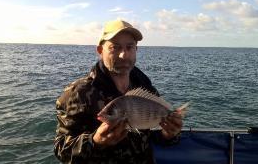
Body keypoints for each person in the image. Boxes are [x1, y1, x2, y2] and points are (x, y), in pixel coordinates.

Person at [54, 20, 183, 164]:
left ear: (136, 50)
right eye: (115, 47)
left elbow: (154, 137)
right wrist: (95, 142)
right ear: (100, 50)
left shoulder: (147, 89)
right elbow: (61, 150)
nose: (124, 55)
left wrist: (169, 134)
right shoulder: (76, 93)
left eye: (130, 47)